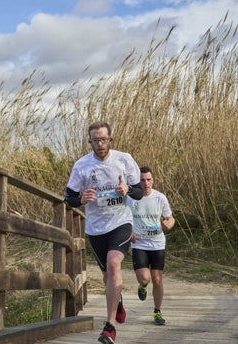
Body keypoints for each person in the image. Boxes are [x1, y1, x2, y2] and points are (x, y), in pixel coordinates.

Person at [64, 121, 143, 344]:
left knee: (113, 263)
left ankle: (109, 327)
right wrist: (81, 199)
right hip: (96, 228)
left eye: (104, 139)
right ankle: (117, 301)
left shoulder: (124, 159)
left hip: (121, 222)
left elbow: (138, 192)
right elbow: (68, 198)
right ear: (90, 142)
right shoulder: (82, 165)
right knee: (108, 274)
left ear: (111, 140)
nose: (100, 144)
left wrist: (127, 189)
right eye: (95, 140)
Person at [127, 166, 175, 326]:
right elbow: (120, 218)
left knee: (157, 279)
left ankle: (157, 311)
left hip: (157, 243)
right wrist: (128, 233)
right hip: (139, 243)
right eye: (142, 180)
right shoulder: (130, 198)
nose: (145, 183)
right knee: (145, 278)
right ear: (137, 182)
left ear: (153, 180)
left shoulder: (160, 198)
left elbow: (170, 217)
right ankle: (142, 286)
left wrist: (168, 224)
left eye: (148, 179)